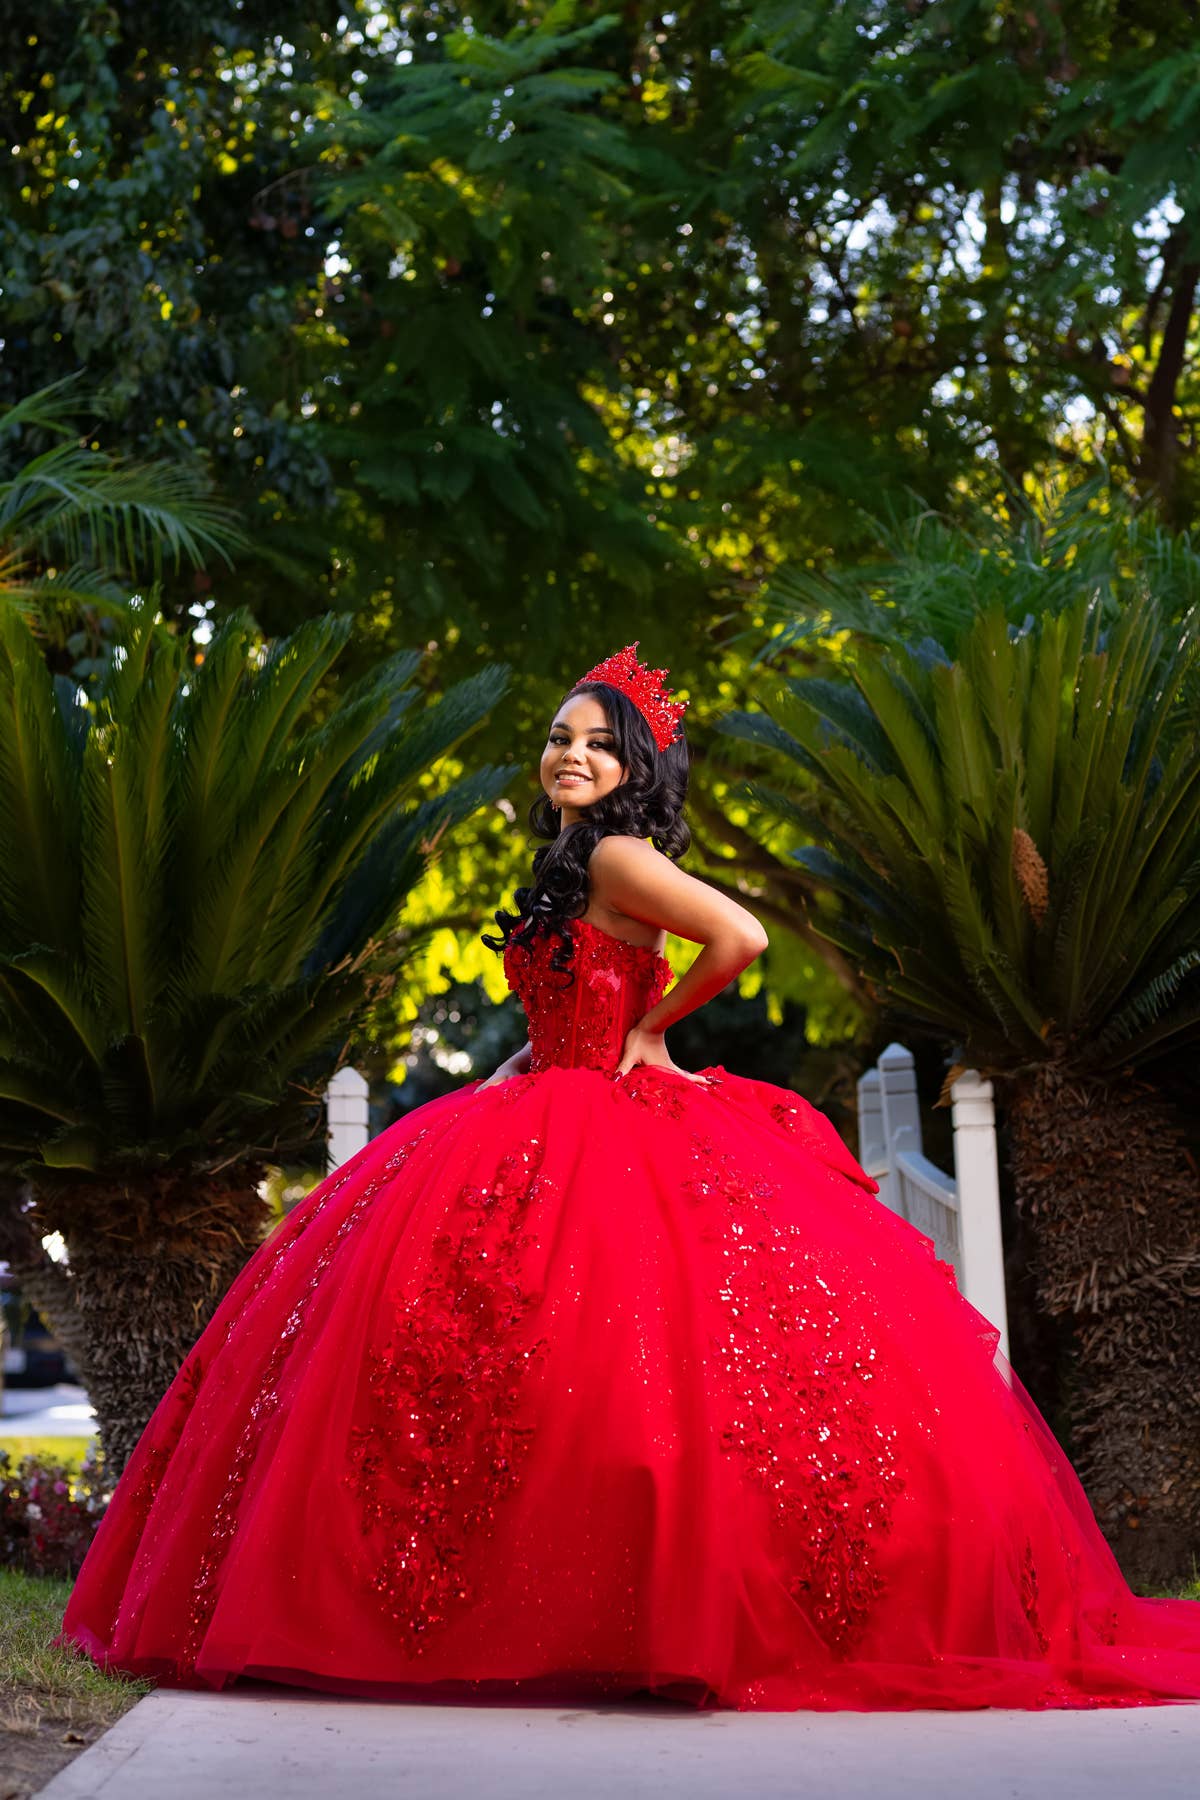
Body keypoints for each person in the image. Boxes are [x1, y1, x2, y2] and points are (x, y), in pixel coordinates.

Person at [57, 644, 1200, 1711]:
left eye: (600, 744)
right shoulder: (569, 863)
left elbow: (741, 936)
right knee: (541, 1360)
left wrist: (652, 1031)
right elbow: (574, 999)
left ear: (634, 768)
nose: (573, 755)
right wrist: (526, 1065)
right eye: (561, 736)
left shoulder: (615, 853)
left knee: (610, 1358)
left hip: (608, 1116)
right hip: (546, 1099)